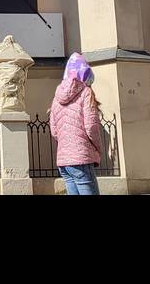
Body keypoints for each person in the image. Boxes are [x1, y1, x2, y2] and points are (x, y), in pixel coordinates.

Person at [49, 52, 102, 195]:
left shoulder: (56, 97)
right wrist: (98, 148)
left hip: (63, 160)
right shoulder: (86, 92)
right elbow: (91, 127)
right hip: (81, 158)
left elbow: (54, 131)